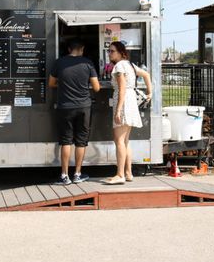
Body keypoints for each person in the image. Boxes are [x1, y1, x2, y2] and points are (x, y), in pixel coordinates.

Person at [48, 40, 100, 185]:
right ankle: (77, 174)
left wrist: (63, 84)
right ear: (82, 48)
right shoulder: (88, 63)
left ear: (69, 49)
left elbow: (51, 83)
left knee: (66, 141)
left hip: (65, 107)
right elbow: (96, 88)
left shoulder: (59, 63)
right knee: (81, 142)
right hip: (84, 106)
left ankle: (64, 176)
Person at [104, 41, 152, 185]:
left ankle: (120, 175)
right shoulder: (130, 64)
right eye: (109, 51)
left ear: (120, 52)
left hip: (123, 101)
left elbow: (122, 88)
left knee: (118, 140)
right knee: (125, 141)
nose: (109, 54)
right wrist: (149, 92)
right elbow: (146, 75)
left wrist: (118, 110)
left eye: (112, 51)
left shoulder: (119, 66)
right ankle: (128, 172)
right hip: (131, 101)